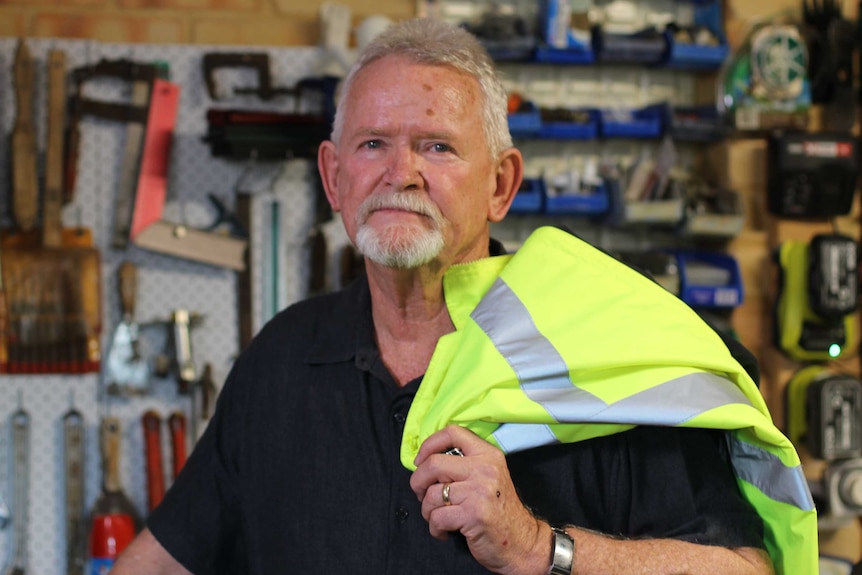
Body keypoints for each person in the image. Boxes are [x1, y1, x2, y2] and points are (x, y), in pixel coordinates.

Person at [112, 17, 815, 575]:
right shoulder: (281, 359)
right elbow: (167, 556)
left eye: (438, 147)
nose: (401, 172)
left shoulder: (600, 356)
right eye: (372, 144)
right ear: (334, 180)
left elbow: (745, 566)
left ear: (501, 185)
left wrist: (542, 549)